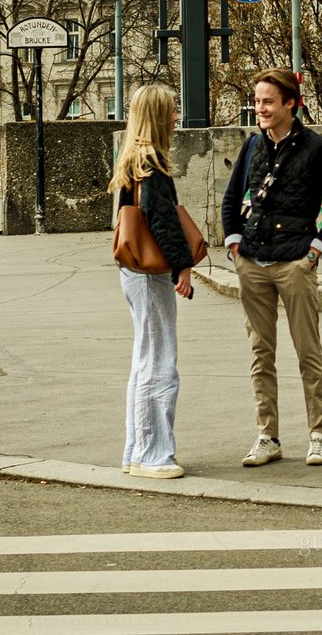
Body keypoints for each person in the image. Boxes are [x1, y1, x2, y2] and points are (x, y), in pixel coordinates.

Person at [221, 68, 322, 468]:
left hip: (294, 261)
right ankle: (267, 436)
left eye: (268, 102)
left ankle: (319, 435)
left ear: (290, 104)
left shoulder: (316, 148)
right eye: (257, 101)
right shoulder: (252, 146)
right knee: (261, 353)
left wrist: (314, 251)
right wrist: (234, 242)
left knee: (307, 351)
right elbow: (230, 198)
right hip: (253, 261)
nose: (260, 108)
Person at [108, 83, 194, 480]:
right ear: (158, 116)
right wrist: (182, 265)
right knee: (160, 362)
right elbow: (162, 220)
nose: (177, 118)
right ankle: (154, 454)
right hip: (149, 273)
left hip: (132, 271)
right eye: (172, 112)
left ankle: (136, 450)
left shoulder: (131, 158)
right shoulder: (152, 162)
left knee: (144, 359)